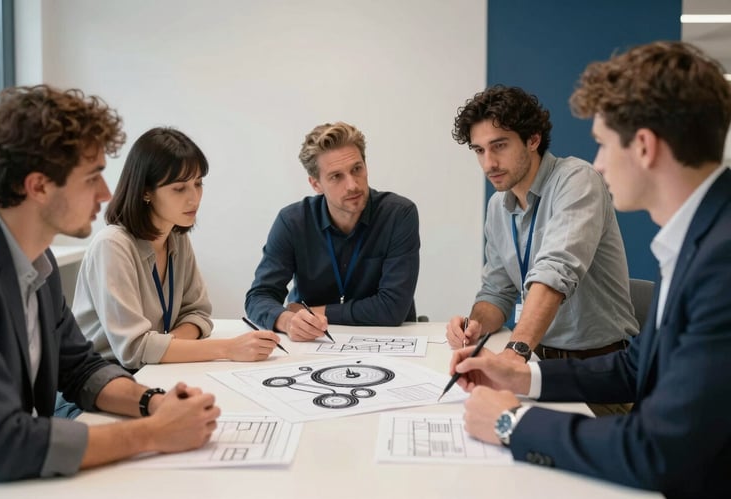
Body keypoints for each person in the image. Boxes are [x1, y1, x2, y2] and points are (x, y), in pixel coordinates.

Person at [450, 41, 731, 497]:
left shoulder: (721, 260)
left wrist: (511, 421)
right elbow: (635, 365)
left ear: (643, 146)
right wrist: (521, 375)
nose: (598, 162)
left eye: (602, 143)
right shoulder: (697, 241)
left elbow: (659, 452)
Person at [0, 85, 219, 496]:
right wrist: (153, 433)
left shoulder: (38, 265)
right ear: (39, 186)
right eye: (92, 177)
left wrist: (153, 402)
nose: (106, 193)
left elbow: (81, 370)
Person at [445, 86, 638, 370]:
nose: (489, 163)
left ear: (533, 139)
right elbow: (496, 292)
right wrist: (474, 325)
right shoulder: (499, 206)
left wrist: (514, 353)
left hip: (600, 369)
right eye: (479, 150)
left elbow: (556, 271)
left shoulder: (576, 180)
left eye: (499, 145)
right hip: (537, 363)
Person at [73, 127, 280, 371]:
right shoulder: (112, 245)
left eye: (198, 183)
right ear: (146, 192)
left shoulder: (176, 237)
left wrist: (161, 348)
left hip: (149, 368)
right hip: (98, 376)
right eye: (179, 188)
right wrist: (228, 349)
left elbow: (198, 313)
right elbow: (134, 349)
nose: (194, 198)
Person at [245, 121, 420, 341]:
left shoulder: (398, 214)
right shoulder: (293, 222)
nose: (352, 185)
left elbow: (392, 309)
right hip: (313, 340)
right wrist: (288, 320)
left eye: (357, 169)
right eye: (336, 176)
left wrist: (310, 311)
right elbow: (259, 296)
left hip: (386, 339)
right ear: (316, 184)